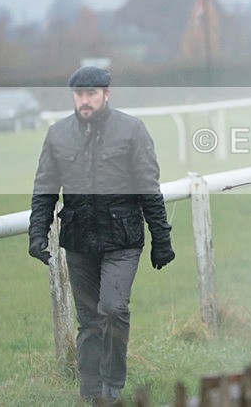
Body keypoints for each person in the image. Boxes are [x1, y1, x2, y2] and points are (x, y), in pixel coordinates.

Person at [28, 65, 175, 403]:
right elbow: (45, 190)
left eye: (91, 94)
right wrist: (37, 234)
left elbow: (149, 189)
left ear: (107, 94)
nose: (85, 100)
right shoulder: (57, 134)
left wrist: (161, 240)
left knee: (112, 308)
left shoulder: (131, 131)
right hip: (78, 242)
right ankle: (91, 392)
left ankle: (112, 386)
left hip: (122, 240)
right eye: (79, 94)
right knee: (89, 321)